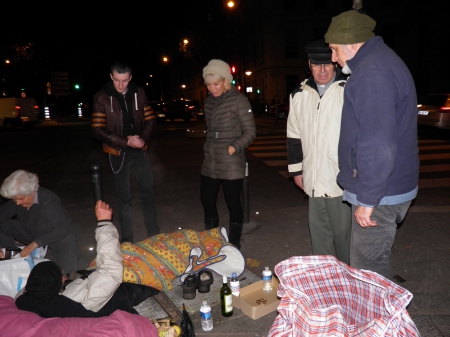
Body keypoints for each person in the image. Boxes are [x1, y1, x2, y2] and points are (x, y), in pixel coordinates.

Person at [324, 7, 419, 279]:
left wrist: (368, 198)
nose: (333, 58)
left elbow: (377, 141)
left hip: (380, 193)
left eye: (334, 49)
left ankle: (379, 320)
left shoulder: (371, 73)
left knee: (369, 274)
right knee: (371, 266)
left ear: (352, 45)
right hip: (387, 188)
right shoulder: (380, 62)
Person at [15, 200, 157, 318]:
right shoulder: (80, 300)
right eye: (60, 273)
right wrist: (104, 223)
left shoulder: (24, 300)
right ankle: (156, 287)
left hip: (90, 285)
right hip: (119, 295)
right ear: (62, 281)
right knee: (150, 278)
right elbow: (111, 270)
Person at [286, 39, 351, 264]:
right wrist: (297, 171)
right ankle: (324, 281)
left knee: (345, 237)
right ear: (309, 64)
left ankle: (348, 283)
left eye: (326, 65)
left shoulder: (349, 89)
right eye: (316, 65)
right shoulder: (299, 94)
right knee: (320, 237)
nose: (322, 70)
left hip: (340, 178)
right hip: (312, 178)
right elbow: (293, 135)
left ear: (335, 64)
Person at [92, 61, 158, 243]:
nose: (121, 85)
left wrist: (142, 139)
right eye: (117, 80)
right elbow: (97, 129)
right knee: (124, 198)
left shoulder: (139, 93)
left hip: (140, 148)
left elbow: (151, 120)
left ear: (130, 78)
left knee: (148, 193)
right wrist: (125, 141)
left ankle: (154, 236)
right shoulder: (101, 97)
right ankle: (127, 240)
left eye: (125, 81)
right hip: (118, 151)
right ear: (111, 77)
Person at [201, 59, 256, 249]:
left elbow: (250, 132)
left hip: (231, 159)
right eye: (208, 85)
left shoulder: (239, 100)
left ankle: (234, 244)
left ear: (226, 81)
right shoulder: (208, 102)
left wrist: (233, 147)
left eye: (215, 84)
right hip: (211, 159)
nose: (211, 88)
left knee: (233, 203)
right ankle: (212, 241)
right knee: (207, 199)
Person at [0, 170, 77, 274]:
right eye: (14, 200)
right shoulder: (19, 197)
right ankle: (10, 261)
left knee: (63, 277)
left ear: (32, 191)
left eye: (20, 199)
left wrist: (34, 244)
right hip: (32, 232)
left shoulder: (49, 201)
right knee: (4, 226)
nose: (17, 203)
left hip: (60, 240)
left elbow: (62, 229)